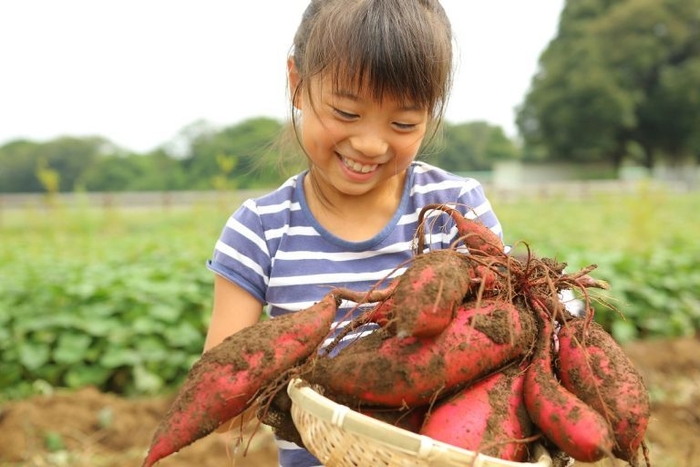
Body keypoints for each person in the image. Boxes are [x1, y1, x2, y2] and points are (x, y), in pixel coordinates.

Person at [203, 1, 503, 466]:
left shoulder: (454, 209)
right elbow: (218, 406)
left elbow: (503, 339)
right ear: (297, 85)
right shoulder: (260, 230)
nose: (370, 144)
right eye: (345, 112)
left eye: (403, 124)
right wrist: (311, 387)